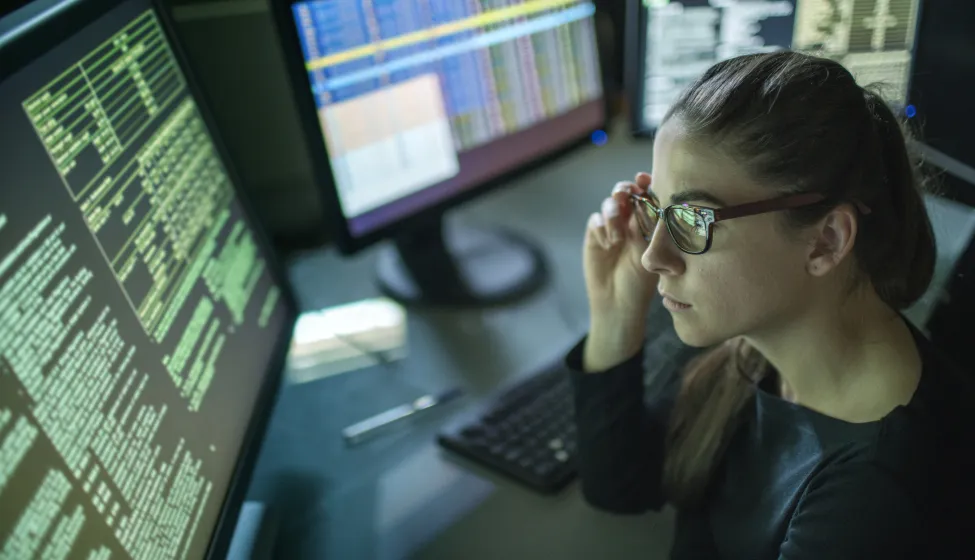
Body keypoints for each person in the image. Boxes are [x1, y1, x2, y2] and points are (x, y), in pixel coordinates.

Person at [571, 51, 974, 559]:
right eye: (657, 209)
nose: (654, 257)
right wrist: (614, 313)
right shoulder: (756, 343)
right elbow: (620, 486)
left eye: (694, 220)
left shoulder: (875, 503)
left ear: (826, 241)